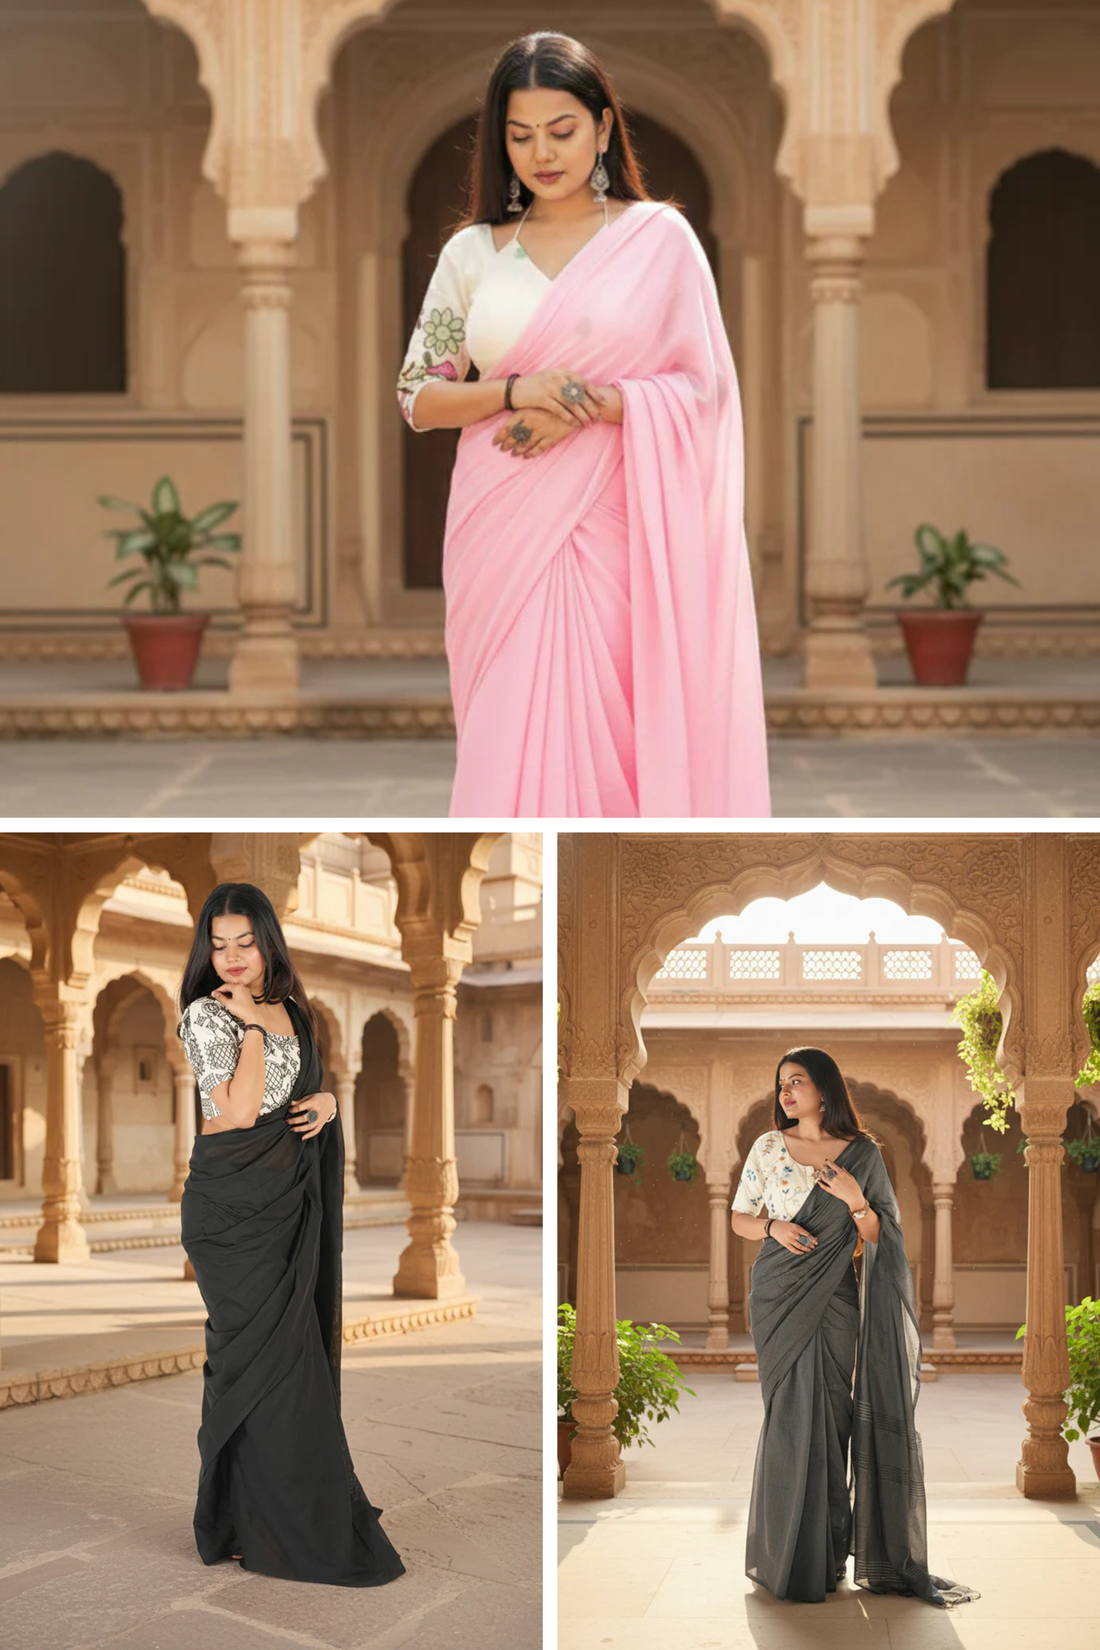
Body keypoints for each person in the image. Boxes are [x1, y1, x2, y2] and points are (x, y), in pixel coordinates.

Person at [397, 30, 770, 819]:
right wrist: (517, 392)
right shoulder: (472, 254)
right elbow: (418, 396)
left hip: (615, 530)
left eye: (562, 131)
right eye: (520, 134)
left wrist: (593, 406)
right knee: (507, 739)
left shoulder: (658, 241)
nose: (543, 153)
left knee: (614, 736)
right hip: (500, 529)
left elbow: (702, 392)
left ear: (603, 128)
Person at [177, 881, 405, 1589]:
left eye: (245, 941)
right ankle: (247, 1520)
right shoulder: (207, 1015)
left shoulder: (292, 1010)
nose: (233, 957)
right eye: (218, 944)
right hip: (229, 1213)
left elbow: (304, 1086)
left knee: (293, 1369)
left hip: (285, 1204)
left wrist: (332, 1099)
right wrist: (246, 1022)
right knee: (256, 1370)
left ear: (268, 940)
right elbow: (242, 1110)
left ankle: (272, 1512)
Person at [730, 1047, 978, 1607]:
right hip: (776, 1296)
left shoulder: (862, 1155)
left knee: (832, 1421)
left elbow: (878, 1236)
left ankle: (825, 1555)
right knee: (789, 1420)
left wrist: (855, 1199)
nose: (786, 1092)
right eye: (780, 1084)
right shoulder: (768, 1147)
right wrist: (772, 1228)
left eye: (796, 1081)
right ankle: (787, 1558)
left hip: (836, 1298)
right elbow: (739, 1216)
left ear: (824, 1088)